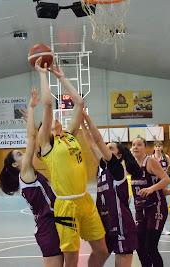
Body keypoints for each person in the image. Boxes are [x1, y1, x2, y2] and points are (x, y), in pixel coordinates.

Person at [36, 58, 108, 267]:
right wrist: (42, 73)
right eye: (48, 123)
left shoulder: (69, 135)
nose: (55, 120)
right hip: (66, 204)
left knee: (102, 251)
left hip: (84, 200)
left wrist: (62, 78)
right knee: (72, 258)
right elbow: (48, 104)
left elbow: (80, 102)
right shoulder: (47, 145)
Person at [0, 88, 63, 267]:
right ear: (15, 165)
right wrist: (32, 107)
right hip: (47, 226)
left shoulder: (29, 172)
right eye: (19, 155)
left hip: (54, 221)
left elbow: (37, 139)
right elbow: (31, 138)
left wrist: (31, 121)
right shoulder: (26, 173)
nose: (23, 155)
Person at [82, 111, 137, 267]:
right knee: (96, 258)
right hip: (103, 222)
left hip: (121, 223)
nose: (105, 149)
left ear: (118, 155)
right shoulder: (102, 169)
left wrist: (87, 117)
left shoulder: (118, 170)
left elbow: (97, 140)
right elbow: (91, 143)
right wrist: (80, 123)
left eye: (110, 148)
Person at [124, 137, 170, 267]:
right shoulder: (130, 165)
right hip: (140, 210)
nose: (135, 147)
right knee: (139, 246)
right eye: (133, 145)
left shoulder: (150, 162)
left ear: (145, 147)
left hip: (156, 207)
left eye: (139, 144)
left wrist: (151, 188)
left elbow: (166, 180)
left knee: (150, 246)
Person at [151, 141, 170, 236]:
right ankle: (153, 226)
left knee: (162, 205)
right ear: (154, 148)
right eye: (156, 146)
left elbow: (169, 170)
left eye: (159, 146)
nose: (158, 148)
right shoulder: (151, 158)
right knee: (154, 205)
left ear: (162, 147)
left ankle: (163, 227)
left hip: (163, 184)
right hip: (154, 184)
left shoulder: (165, 157)